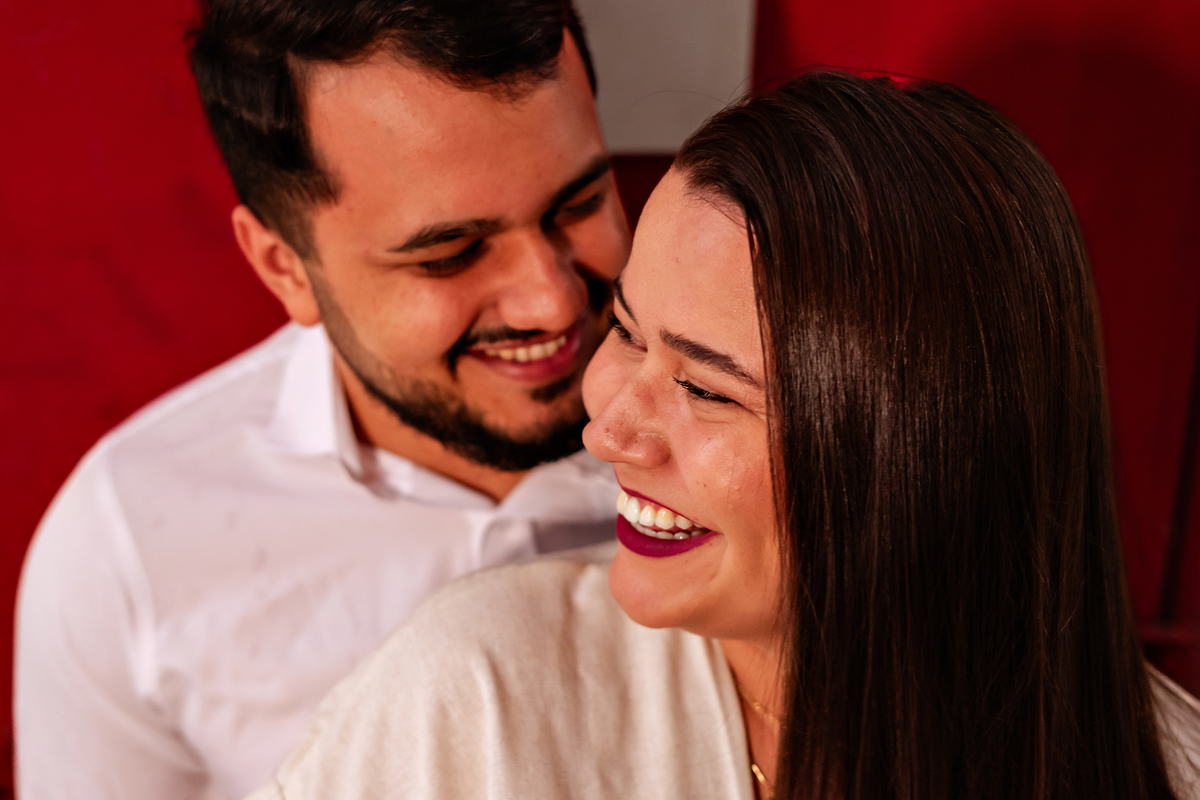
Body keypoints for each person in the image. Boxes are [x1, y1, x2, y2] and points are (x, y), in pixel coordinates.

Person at [244, 70, 1200, 800]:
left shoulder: (1170, 765)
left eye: (705, 389)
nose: (608, 429)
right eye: (626, 331)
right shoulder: (472, 702)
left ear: (923, 453)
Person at [14, 2, 630, 798]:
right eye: (451, 253)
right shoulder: (126, 543)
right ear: (285, 268)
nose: (550, 300)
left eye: (579, 204)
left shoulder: (757, 426)